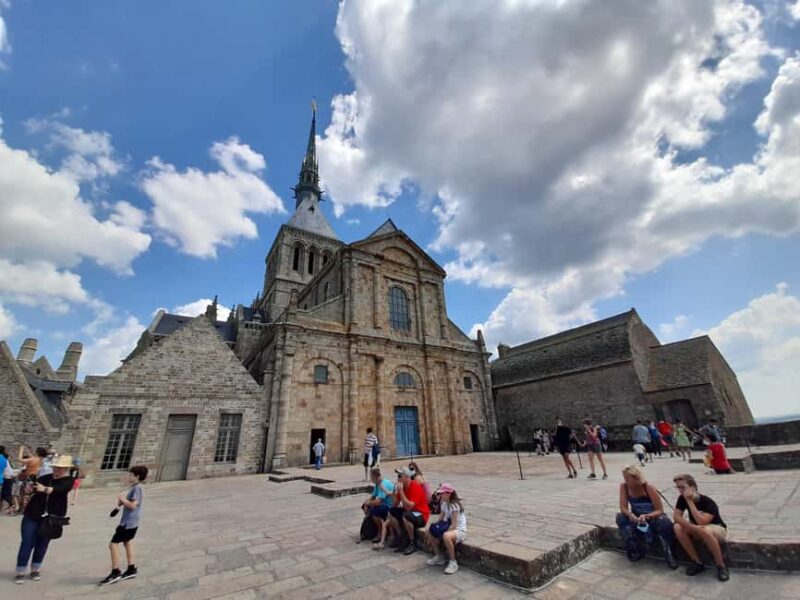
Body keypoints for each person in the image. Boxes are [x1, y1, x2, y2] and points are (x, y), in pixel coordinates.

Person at [14, 454, 75, 584]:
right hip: (33, 514)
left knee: (42, 544)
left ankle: (35, 569)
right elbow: (30, 491)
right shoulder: (45, 477)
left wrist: (45, 489)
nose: (57, 470)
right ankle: (20, 571)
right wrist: (29, 489)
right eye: (56, 467)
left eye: (61, 468)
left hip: (51, 518)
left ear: (66, 469)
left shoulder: (69, 480)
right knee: (27, 542)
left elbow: (60, 489)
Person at [616, 465, 677, 568]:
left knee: (663, 523)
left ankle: (668, 552)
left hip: (652, 515)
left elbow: (659, 510)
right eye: (625, 478)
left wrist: (647, 515)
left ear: (636, 477)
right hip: (637, 516)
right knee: (621, 517)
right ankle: (634, 548)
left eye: (628, 478)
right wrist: (630, 515)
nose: (626, 480)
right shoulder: (624, 486)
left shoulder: (648, 487)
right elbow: (623, 506)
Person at [672, 473, 729, 581]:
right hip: (698, 528)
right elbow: (676, 516)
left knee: (705, 530)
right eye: (678, 487)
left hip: (716, 528)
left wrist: (689, 501)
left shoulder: (707, 501)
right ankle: (697, 561)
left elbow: (701, 521)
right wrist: (691, 527)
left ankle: (720, 565)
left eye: (683, 487)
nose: (680, 490)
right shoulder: (681, 498)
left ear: (692, 487)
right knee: (677, 527)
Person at [100, 465, 148, 585]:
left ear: (137, 476)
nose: (129, 476)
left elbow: (133, 505)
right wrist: (123, 502)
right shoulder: (137, 488)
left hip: (128, 522)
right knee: (127, 542)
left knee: (113, 544)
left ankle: (115, 571)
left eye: (131, 474)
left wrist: (122, 498)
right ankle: (131, 569)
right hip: (133, 522)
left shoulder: (137, 488)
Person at [426, 483, 467, 575]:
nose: (440, 495)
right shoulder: (444, 503)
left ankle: (453, 562)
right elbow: (441, 519)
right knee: (429, 530)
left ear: (448, 494)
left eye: (442, 493)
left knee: (446, 536)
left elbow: (454, 525)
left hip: (459, 530)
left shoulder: (454, 505)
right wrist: (435, 528)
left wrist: (441, 534)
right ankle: (439, 556)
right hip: (449, 526)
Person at [386, 467, 430, 555]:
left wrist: (401, 492)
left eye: (400, 476)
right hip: (410, 511)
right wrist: (394, 494)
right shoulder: (402, 487)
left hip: (421, 514)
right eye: (398, 476)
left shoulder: (414, 486)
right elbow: (395, 504)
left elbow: (410, 506)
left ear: (406, 477)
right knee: (392, 512)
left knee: (406, 515)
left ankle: (411, 542)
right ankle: (400, 538)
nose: (398, 478)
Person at [365, 468, 395, 550]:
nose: (370, 479)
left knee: (375, 511)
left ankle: (380, 533)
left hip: (389, 506)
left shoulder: (383, 484)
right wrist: (366, 502)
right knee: (370, 507)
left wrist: (369, 503)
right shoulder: (377, 484)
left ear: (374, 477)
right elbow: (373, 496)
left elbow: (379, 502)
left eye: (371, 477)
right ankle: (378, 530)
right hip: (383, 504)